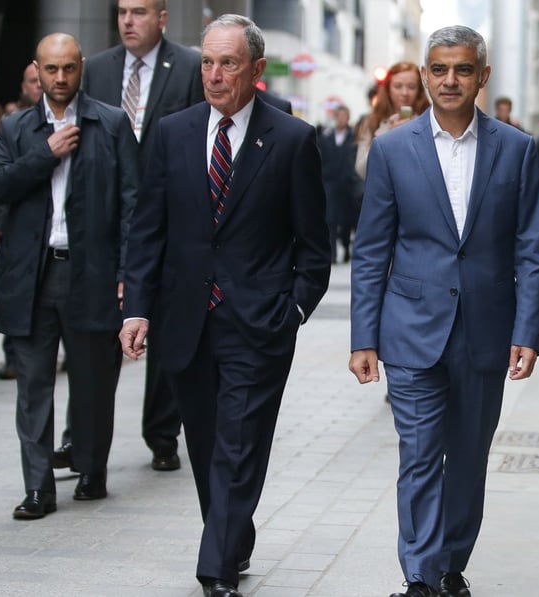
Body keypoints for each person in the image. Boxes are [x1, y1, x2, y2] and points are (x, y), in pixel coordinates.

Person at [119, 14, 331, 597]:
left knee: (239, 445)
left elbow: (315, 248)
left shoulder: (291, 139)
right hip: (186, 321)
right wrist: (136, 308)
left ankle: (214, 569)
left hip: (258, 325)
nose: (214, 75)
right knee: (208, 444)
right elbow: (147, 231)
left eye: (228, 63)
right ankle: (232, 536)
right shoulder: (172, 132)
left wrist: (293, 311)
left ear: (256, 70)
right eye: (208, 62)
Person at [349, 25, 539, 597]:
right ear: (425, 75)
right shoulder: (391, 149)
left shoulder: (517, 148)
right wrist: (364, 338)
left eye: (462, 69)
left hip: (485, 330)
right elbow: (371, 252)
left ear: (482, 76)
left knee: (466, 460)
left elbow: (531, 251)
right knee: (418, 456)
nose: (449, 80)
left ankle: (449, 565)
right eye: (438, 69)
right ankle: (420, 577)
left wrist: (528, 330)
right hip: (411, 332)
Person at [0, 32, 139, 519]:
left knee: (93, 383)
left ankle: (92, 469)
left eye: (68, 68)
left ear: (81, 67)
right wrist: (45, 154)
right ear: (37, 69)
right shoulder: (16, 127)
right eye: (50, 70)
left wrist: (126, 273)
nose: (59, 78)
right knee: (32, 386)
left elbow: (134, 204)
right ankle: (38, 488)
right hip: (31, 275)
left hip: (91, 273)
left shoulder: (111, 123)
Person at [68, 0, 206, 473]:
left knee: (164, 329)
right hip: (107, 219)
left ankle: (162, 432)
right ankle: (81, 432)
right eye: (123, 11)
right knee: (97, 330)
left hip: (171, 216)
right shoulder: (98, 68)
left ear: (161, 18)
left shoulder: (189, 66)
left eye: (140, 12)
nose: (128, 20)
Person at [0, 62, 45, 382]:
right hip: (19, 234)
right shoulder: (12, 127)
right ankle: (12, 355)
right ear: (24, 87)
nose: (40, 85)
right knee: (17, 299)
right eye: (33, 81)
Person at [354, 61, 430, 180]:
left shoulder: (428, 120)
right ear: (388, 89)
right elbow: (362, 169)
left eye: (411, 87)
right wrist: (387, 134)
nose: (404, 93)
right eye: (398, 86)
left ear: (419, 91)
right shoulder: (373, 120)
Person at [318, 105, 359, 263]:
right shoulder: (326, 137)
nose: (341, 119)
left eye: (344, 116)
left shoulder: (354, 137)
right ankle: (333, 253)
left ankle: (346, 246)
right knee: (331, 219)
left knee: (347, 220)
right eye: (339, 116)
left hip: (348, 185)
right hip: (330, 183)